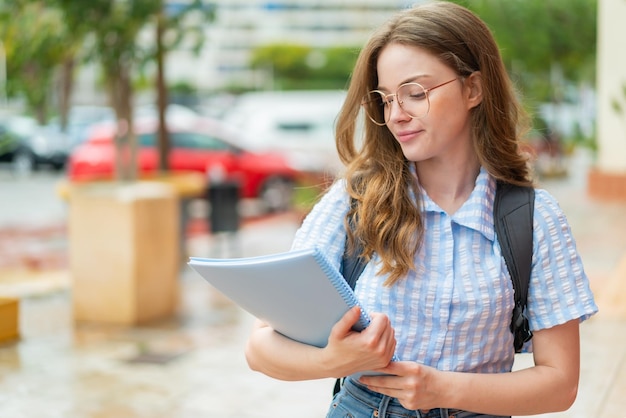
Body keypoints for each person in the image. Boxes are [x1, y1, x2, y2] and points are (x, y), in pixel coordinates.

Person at [244, 2, 598, 417]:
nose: (397, 115)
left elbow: (560, 383)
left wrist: (440, 388)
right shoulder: (354, 203)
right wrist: (332, 361)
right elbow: (260, 347)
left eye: (415, 93)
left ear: (473, 89)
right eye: (386, 99)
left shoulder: (534, 218)